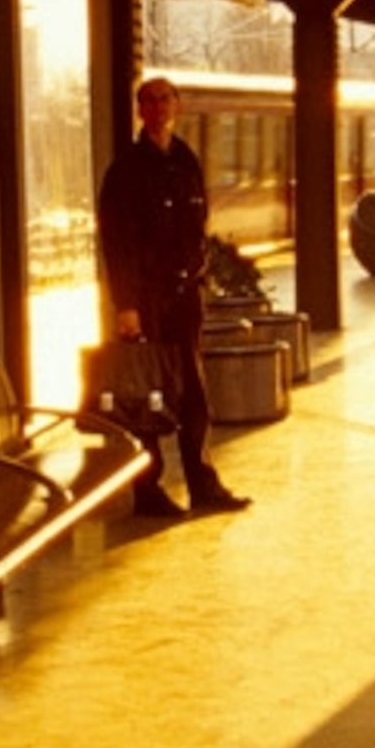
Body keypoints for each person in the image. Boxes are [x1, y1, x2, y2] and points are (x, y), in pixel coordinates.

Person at [98, 76, 250, 516]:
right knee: (148, 394)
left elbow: (199, 220)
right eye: (149, 100)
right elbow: (117, 243)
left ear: (178, 106)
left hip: (185, 295)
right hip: (146, 299)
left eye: (166, 99)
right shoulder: (125, 168)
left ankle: (203, 482)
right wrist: (125, 305)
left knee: (193, 391)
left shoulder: (185, 159)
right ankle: (148, 490)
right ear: (140, 110)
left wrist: (201, 268)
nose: (159, 107)